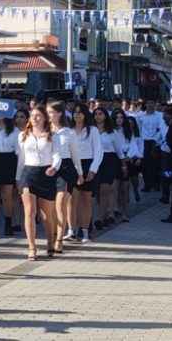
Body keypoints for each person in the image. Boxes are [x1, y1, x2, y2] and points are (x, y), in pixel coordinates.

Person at [16, 106, 62, 260]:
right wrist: (17, 177)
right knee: (29, 211)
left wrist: (54, 168)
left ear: (44, 118)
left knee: (46, 215)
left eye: (38, 116)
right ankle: (32, 247)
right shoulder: (23, 135)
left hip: (46, 174)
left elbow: (57, 156)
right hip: (28, 174)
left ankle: (50, 240)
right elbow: (21, 158)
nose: (35, 119)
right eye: (32, 116)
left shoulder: (53, 136)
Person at [48, 100, 83, 254]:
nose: (48, 115)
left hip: (66, 168)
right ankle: (53, 234)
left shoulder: (69, 133)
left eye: (51, 112)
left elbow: (75, 155)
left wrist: (80, 173)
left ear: (59, 113)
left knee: (60, 204)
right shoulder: (44, 131)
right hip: (48, 168)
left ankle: (59, 240)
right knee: (51, 208)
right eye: (47, 112)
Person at [70, 103, 102, 244]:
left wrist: (93, 169)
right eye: (75, 112)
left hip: (87, 164)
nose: (77, 115)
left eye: (80, 112)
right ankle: (71, 229)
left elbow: (98, 152)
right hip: (72, 166)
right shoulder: (69, 130)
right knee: (72, 198)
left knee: (85, 199)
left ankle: (85, 230)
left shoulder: (92, 130)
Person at [94, 107, 121, 230]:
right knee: (97, 191)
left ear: (105, 116)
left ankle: (99, 218)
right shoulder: (91, 131)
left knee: (105, 189)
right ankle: (104, 213)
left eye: (100, 114)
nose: (98, 116)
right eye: (96, 114)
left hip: (109, 160)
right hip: (94, 160)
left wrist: (123, 163)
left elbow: (118, 149)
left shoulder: (112, 132)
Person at [136, 100, 164, 194]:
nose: (150, 105)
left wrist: (157, 140)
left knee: (156, 163)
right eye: (148, 103)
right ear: (145, 105)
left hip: (156, 141)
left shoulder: (160, 115)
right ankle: (146, 185)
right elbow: (138, 129)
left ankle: (156, 184)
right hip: (144, 141)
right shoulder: (140, 116)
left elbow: (161, 129)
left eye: (152, 103)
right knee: (145, 164)